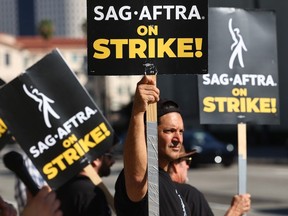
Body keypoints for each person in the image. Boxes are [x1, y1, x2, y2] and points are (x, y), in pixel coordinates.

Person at [114, 75, 191, 215]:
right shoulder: (143, 178)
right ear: (148, 133)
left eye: (181, 131)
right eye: (169, 131)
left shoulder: (168, 182)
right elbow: (137, 179)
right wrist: (138, 111)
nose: (177, 138)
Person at [168, 143, 251, 216]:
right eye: (186, 161)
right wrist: (235, 211)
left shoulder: (159, 190)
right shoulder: (189, 194)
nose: (188, 166)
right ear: (175, 165)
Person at [56, 150, 115, 216]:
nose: (113, 161)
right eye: (109, 157)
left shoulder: (61, 188)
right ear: (96, 159)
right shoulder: (91, 193)